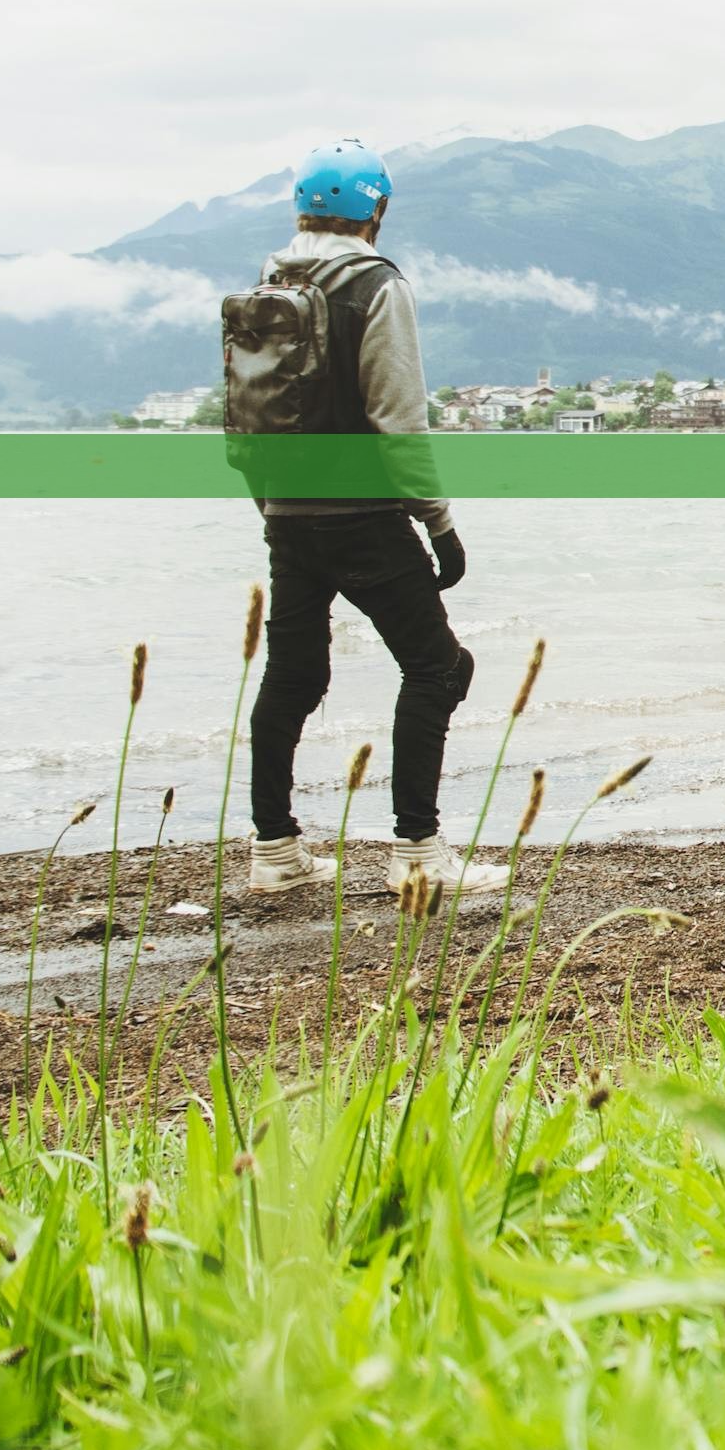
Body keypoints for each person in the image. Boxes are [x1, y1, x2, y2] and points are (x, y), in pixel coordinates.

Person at [241, 140, 504, 897]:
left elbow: (249, 411)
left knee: (292, 675)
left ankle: (276, 853)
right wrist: (439, 522)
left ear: (301, 208)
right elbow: (399, 418)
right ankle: (418, 853)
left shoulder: (268, 283)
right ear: (376, 212)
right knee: (439, 668)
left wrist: (272, 507)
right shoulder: (373, 285)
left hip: (286, 511)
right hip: (362, 515)